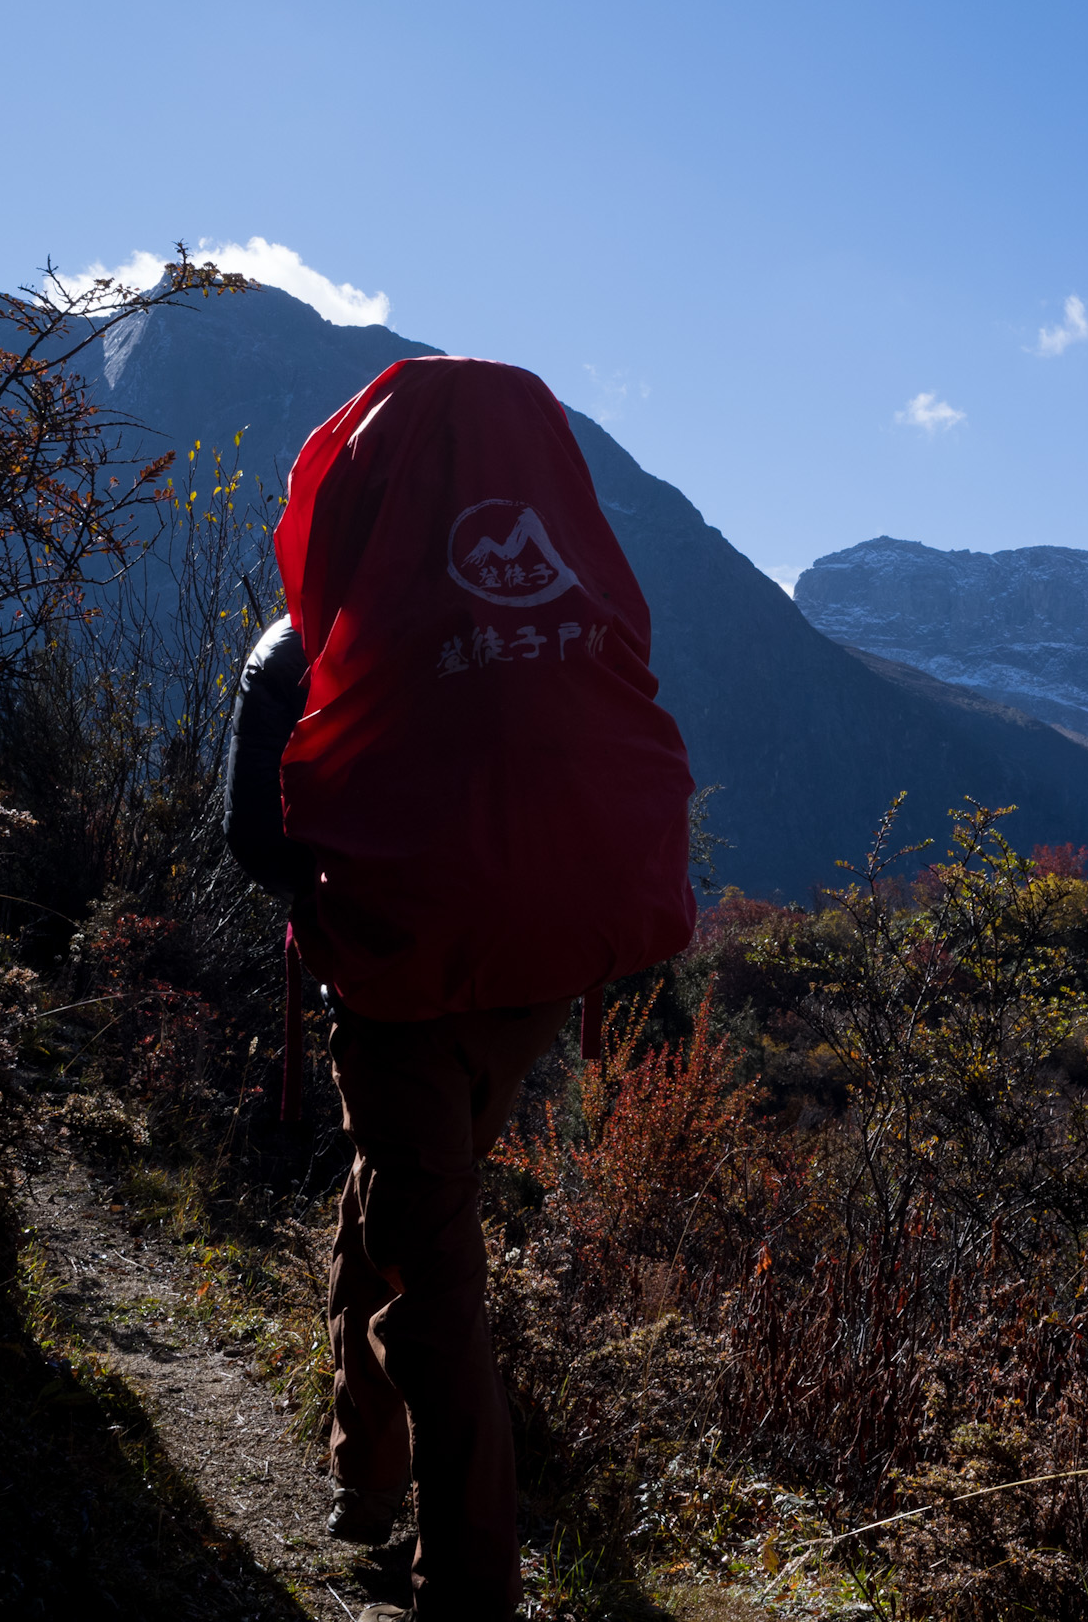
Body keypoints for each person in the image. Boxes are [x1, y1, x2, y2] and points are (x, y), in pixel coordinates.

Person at [227, 357, 698, 1622]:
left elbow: (255, 840)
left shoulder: (312, 647)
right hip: (534, 987)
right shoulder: (579, 620)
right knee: (398, 1202)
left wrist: (360, 882)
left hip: (394, 989)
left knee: (431, 1275)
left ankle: (469, 1584)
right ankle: (362, 1480)